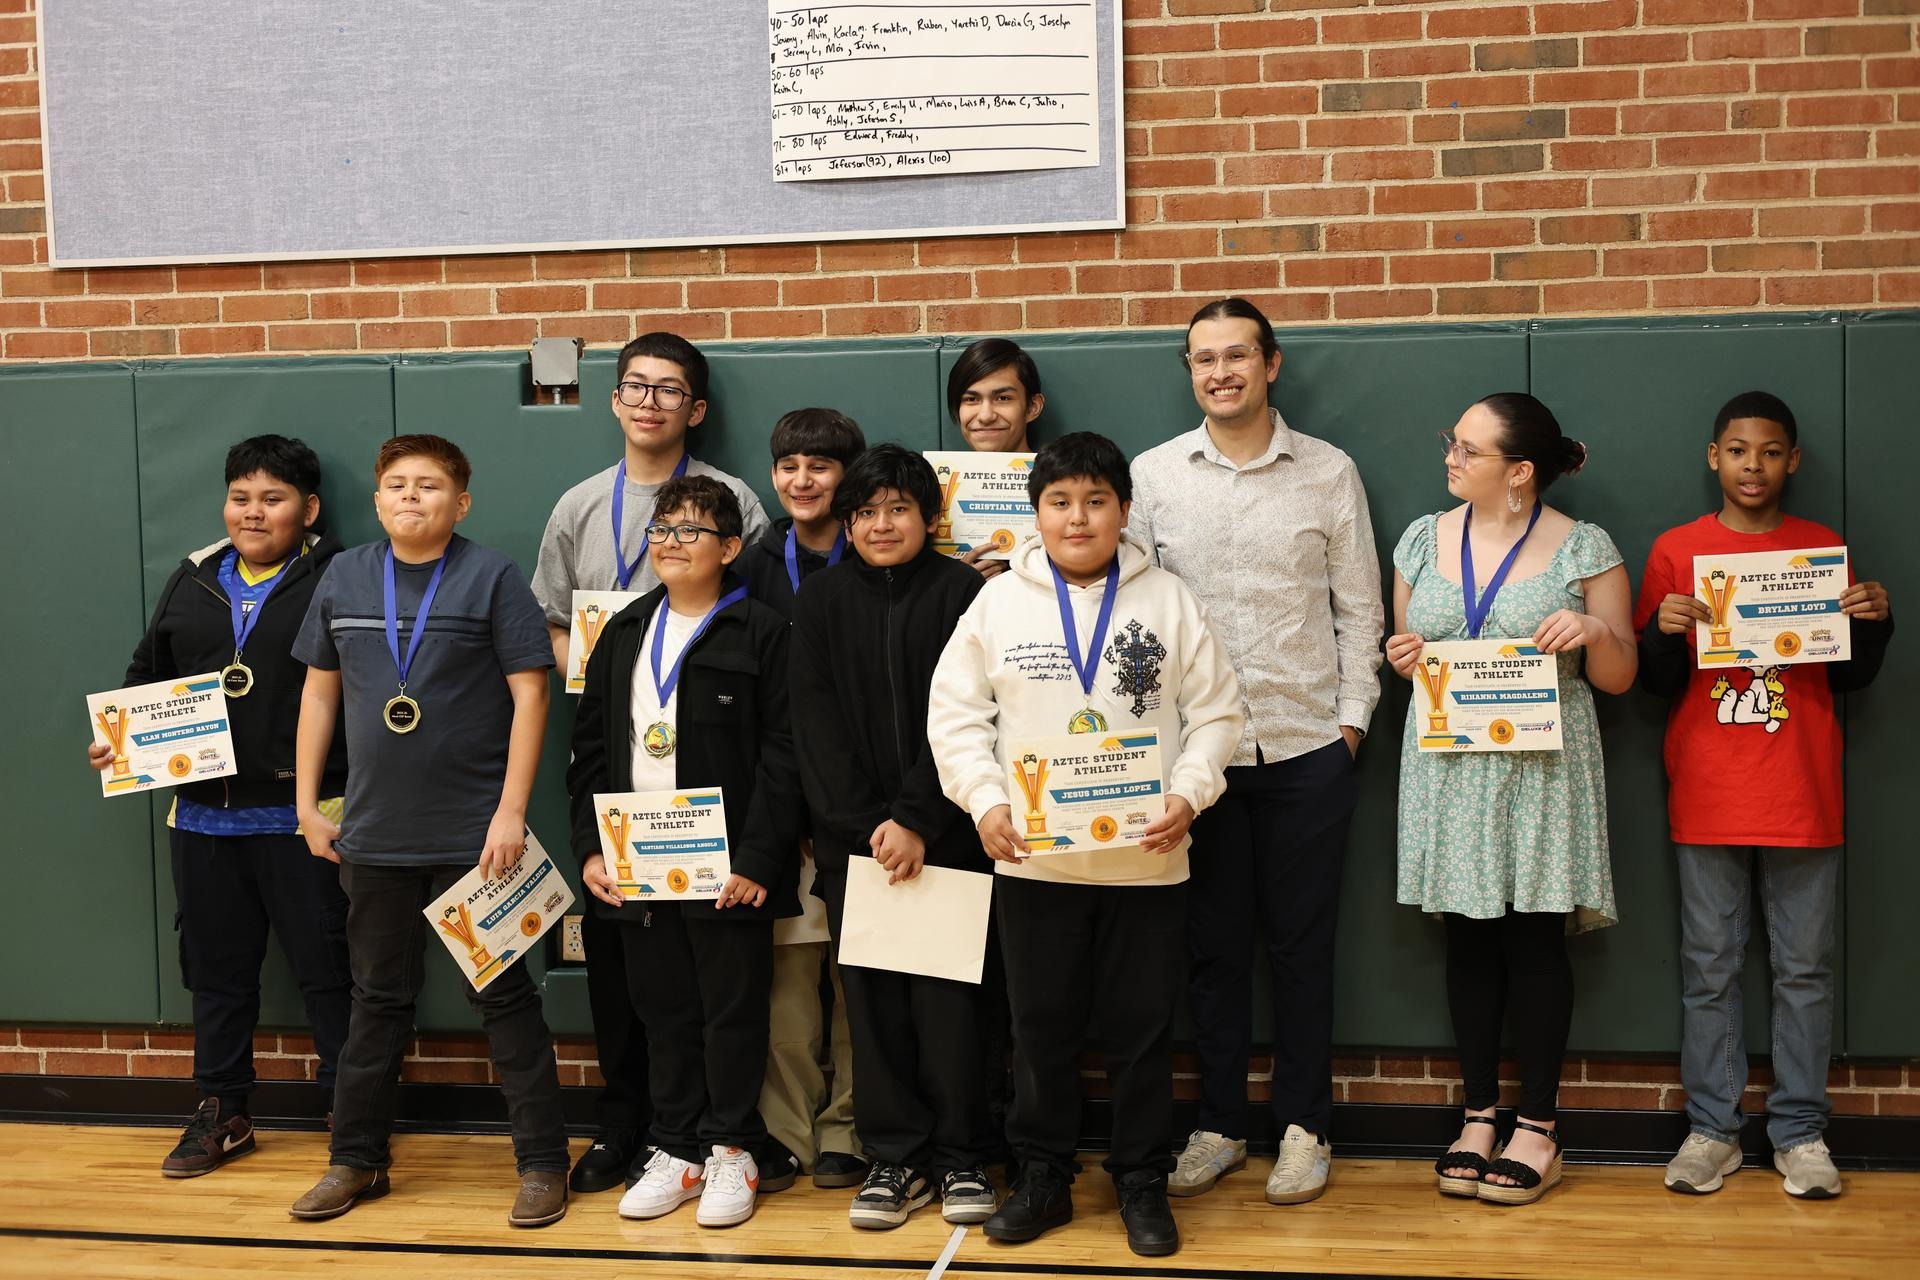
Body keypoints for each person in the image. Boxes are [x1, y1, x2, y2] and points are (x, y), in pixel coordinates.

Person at [929, 432, 1243, 1258]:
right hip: (1036, 860)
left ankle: (1140, 1178)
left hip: (1149, 859)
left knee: (1142, 1030)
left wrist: (1188, 793)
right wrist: (986, 802)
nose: (1079, 517)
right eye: (1061, 502)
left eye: (1096, 501)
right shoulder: (995, 603)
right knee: (1041, 1028)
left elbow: (1216, 715)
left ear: (1124, 510)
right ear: (1037, 513)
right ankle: (1042, 1175)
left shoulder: (1171, 599)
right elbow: (957, 720)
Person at [1129, 298, 1383, 1206]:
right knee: (1211, 951)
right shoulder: (1153, 476)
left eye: (1237, 356)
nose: (1220, 372)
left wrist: (1349, 724)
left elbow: (1360, 608)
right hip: (1197, 765)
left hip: (1310, 747)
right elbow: (1130, 610)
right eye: (1204, 359)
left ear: (1271, 365)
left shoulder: (1328, 472)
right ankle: (1221, 1124)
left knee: (1304, 951)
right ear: (1191, 372)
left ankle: (1305, 1127)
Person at [288, 434, 569, 1227]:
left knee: (505, 997)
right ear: (377, 499)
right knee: (375, 1002)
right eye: (398, 485)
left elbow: (531, 698)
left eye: (431, 486)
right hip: (372, 838)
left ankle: (545, 1164)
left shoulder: (492, 577)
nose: (412, 497)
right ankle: (356, 1160)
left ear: (461, 502)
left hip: (476, 840)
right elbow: (317, 697)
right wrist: (309, 803)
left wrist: (511, 811)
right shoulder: (343, 576)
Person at [1636, 391, 1893, 1200]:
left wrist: (1875, 622)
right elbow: (1652, 684)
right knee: (1707, 968)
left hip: (1800, 793)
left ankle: (1801, 1132)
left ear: (1793, 461)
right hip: (1709, 791)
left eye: (1771, 451)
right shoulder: (1677, 550)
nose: (1755, 465)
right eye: (1739, 450)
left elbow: (1848, 676)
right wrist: (1663, 631)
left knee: (1804, 971)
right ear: (1715, 457)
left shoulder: (1823, 549)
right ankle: (1712, 1131)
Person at [530, 332, 771, 1194]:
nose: (649, 401)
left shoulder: (738, 505)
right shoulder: (579, 508)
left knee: (725, 995)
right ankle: (649, 1134)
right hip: (629, 794)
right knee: (644, 991)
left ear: (695, 410)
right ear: (613, 397)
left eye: (670, 390)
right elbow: (553, 628)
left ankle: (731, 1143)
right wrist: (601, 680)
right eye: (636, 385)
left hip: (716, 804)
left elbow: (771, 706)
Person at [1384, 393, 1635, 1206]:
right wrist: (1404, 653)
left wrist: (1595, 635)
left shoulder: (1584, 548)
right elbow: (1408, 651)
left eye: (1469, 449)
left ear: (1520, 471)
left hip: (1542, 769)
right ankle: (1479, 1114)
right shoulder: (1422, 538)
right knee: (1468, 941)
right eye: (1451, 442)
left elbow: (1621, 674)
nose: (1450, 458)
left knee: (1534, 942)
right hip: (1451, 769)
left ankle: (1539, 1125)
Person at [87, 435, 352, 1179]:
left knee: (330, 974)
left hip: (308, 818)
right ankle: (224, 1112)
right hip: (202, 821)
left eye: (273, 499)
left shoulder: (340, 577)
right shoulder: (194, 578)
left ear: (309, 509)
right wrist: (116, 743)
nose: (253, 512)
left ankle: (350, 1115)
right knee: (217, 977)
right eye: (241, 497)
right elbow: (146, 679)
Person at [567, 475, 802, 1230]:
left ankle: (732, 1148)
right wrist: (593, 852)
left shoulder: (763, 631)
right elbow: (591, 752)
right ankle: (676, 1147)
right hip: (638, 866)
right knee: (663, 1009)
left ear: (730, 548)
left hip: (728, 871)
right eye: (661, 530)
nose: (668, 542)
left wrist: (759, 860)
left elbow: (785, 757)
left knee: (731, 1010)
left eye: (689, 531)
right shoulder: (626, 629)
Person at [787, 445, 992, 1230]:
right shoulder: (822, 602)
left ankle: (964, 1155)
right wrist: (868, 829)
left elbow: (969, 717)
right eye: (866, 512)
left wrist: (915, 818)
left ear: (929, 518)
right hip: (858, 853)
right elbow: (816, 730)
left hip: (950, 838)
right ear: (848, 522)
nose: (881, 524)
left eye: (898, 509)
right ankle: (895, 1157)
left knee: (953, 1008)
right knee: (873, 1010)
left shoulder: (966, 594)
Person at [733, 408, 870, 1192]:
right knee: (787, 990)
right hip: (779, 808)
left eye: (820, 466)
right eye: (789, 466)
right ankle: (787, 1132)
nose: (803, 480)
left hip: (858, 808)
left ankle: (851, 1126)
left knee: (861, 982)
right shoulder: (751, 565)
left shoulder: (882, 557)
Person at [948, 337, 1045, 585]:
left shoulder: (1061, 484)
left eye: (1003, 398)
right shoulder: (936, 491)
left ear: (1032, 407)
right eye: (971, 399)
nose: (986, 415)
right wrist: (953, 582)